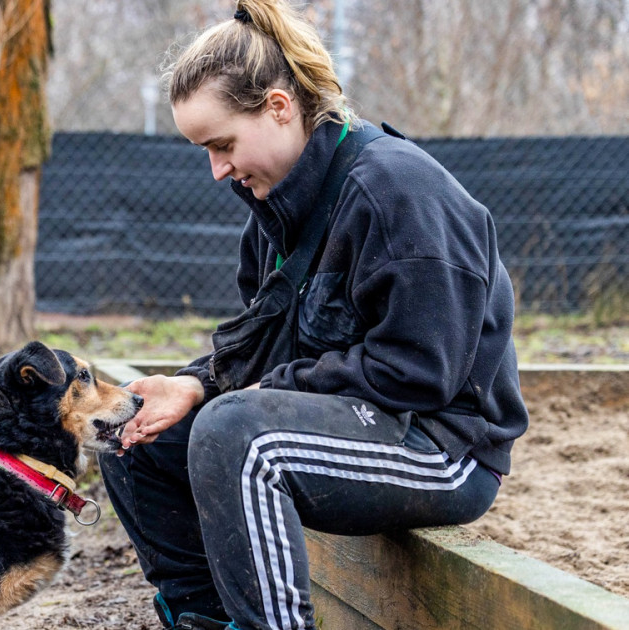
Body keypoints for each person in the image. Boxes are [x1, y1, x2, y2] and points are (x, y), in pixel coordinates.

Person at [97, 1, 530, 629]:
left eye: (222, 145)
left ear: (278, 107)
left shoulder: (400, 194)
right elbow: (266, 350)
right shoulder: (271, 211)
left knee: (239, 437)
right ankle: (204, 616)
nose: (217, 171)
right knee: (133, 436)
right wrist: (195, 385)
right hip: (352, 422)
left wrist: (245, 399)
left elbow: (418, 375)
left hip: (441, 444)